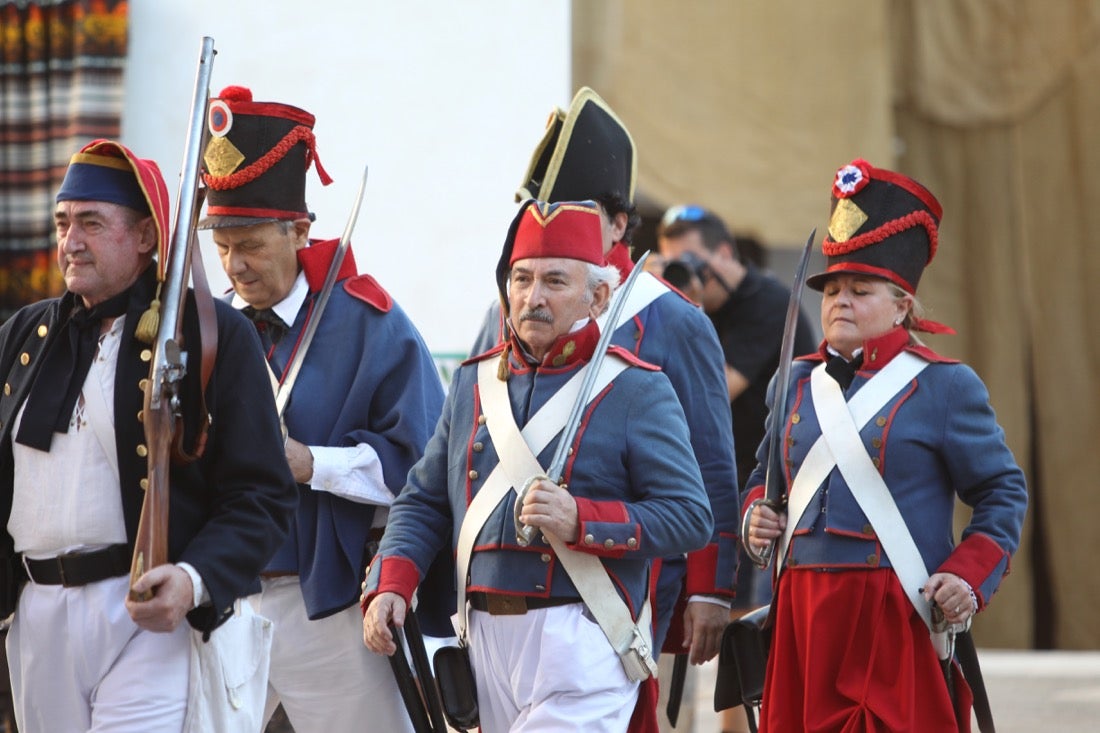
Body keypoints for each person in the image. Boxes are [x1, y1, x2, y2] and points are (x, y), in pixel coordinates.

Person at [363, 199, 714, 733]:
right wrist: (394, 581)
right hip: (480, 636)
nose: (532, 297)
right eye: (521, 279)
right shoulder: (474, 384)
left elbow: (690, 516)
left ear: (598, 296)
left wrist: (582, 520)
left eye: (554, 281)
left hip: (582, 632)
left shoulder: (638, 387)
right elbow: (425, 498)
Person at [0, 139, 298, 731]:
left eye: (91, 223)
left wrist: (193, 581)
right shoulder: (22, 336)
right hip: (36, 613)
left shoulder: (209, 334)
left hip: (145, 618)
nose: (70, 242)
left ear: (143, 237)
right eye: (63, 223)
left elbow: (261, 495)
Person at [743, 158, 1028, 731]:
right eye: (832, 289)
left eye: (860, 289)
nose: (839, 301)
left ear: (902, 304)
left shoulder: (944, 385)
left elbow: (1002, 492)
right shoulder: (795, 381)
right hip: (800, 616)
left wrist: (968, 576)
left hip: (892, 615)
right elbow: (763, 479)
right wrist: (756, 517)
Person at [470, 89, 739, 686]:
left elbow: (710, 465)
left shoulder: (675, 319)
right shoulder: (508, 310)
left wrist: (713, 588)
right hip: (508, 582)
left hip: (628, 574)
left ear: (618, 223)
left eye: (575, 210)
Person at [199, 85, 445, 733]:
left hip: (332, 605)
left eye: (250, 242)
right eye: (222, 245)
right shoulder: (208, 329)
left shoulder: (371, 323)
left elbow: (423, 466)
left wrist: (311, 463)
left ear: (298, 228)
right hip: (225, 598)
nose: (234, 264)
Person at [654, 205, 816, 733]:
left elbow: (712, 393)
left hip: (760, 493)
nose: (687, 275)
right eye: (672, 263)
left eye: (693, 261)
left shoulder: (768, 302)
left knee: (743, 637)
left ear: (725, 254)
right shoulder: (684, 306)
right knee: (687, 635)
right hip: (702, 491)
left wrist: (685, 313)